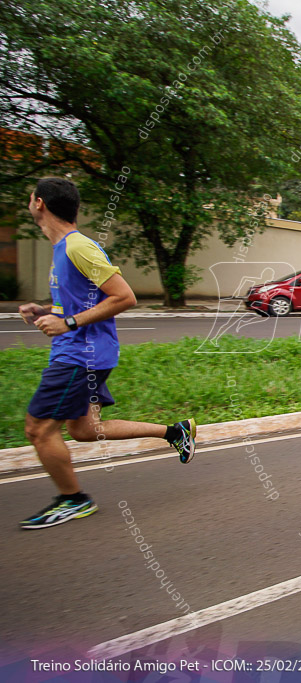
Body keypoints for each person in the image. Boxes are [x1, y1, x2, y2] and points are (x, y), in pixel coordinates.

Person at [18, 178, 196, 530]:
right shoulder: (63, 249)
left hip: (80, 356)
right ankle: (175, 432)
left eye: (30, 198)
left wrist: (67, 323)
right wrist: (46, 311)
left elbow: (124, 296)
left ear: (39, 203)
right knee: (85, 429)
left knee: (38, 429)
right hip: (78, 352)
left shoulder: (78, 247)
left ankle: (73, 500)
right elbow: (81, 299)